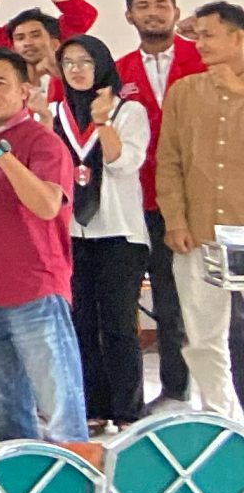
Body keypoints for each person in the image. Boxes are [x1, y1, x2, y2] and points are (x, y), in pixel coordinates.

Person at [0, 46, 85, 442]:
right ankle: (15, 479)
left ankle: (76, 478)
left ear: (24, 91)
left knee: (60, 408)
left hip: (35, 291)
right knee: (4, 412)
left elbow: (46, 205)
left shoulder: (43, 142)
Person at [156, 0, 244, 419]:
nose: (200, 43)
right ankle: (221, 419)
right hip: (200, 231)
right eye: (198, 35)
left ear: (238, 38)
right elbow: (169, 161)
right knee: (203, 334)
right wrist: (175, 220)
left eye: (209, 35)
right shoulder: (185, 91)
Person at [118, 0, 203, 411]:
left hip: (198, 200)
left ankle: (210, 393)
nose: (153, 12)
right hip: (139, 202)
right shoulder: (117, 70)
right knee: (160, 303)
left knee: (206, 303)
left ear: (176, 11)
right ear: (129, 15)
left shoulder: (203, 58)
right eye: (143, 5)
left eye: (160, 4)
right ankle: (168, 390)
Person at [60, 37, 150, 430]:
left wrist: (101, 122)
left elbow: (123, 164)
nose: (77, 69)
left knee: (118, 325)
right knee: (81, 323)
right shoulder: (55, 112)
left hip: (120, 233)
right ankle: (94, 408)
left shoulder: (129, 111)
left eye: (85, 61)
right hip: (72, 233)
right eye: (68, 62)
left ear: (102, 64)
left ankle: (128, 411)